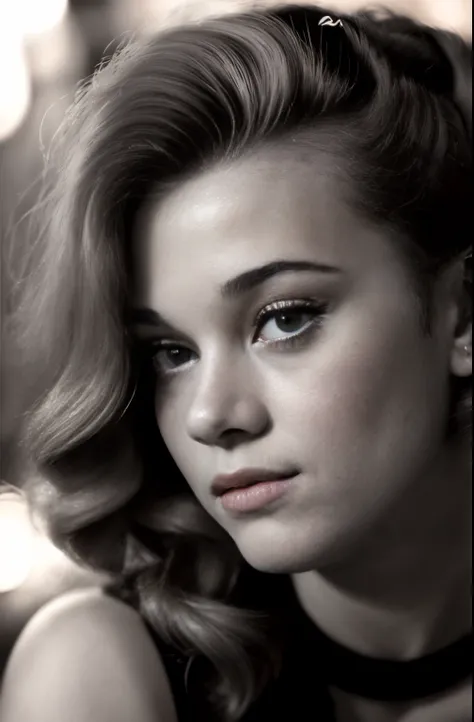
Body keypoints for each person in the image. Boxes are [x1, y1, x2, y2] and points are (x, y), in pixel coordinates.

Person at [1, 4, 471, 721]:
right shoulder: (100, 679)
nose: (210, 415)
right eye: (171, 352)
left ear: (461, 313)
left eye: (284, 319)